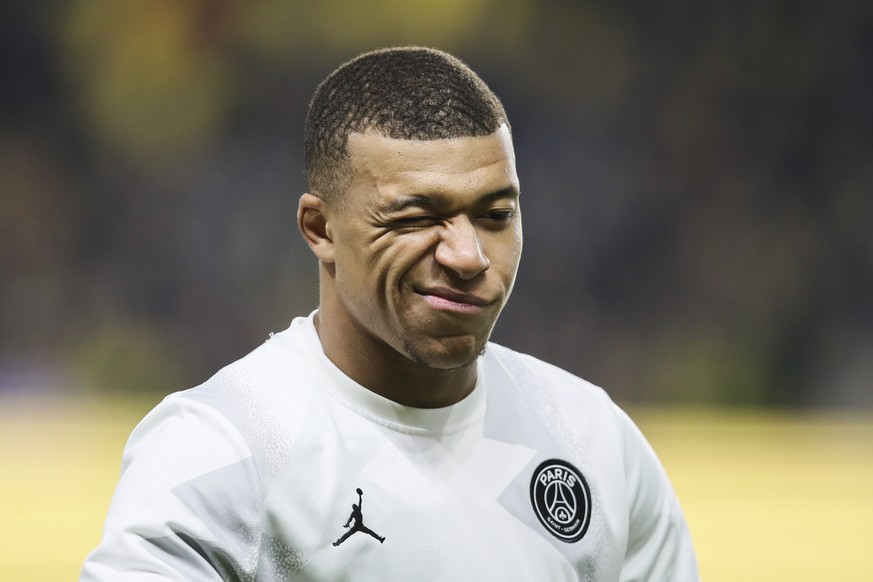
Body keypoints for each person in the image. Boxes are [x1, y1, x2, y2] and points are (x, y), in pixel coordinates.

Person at [81, 47, 699, 581]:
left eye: (495, 215)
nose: (467, 255)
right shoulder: (220, 452)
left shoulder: (593, 439)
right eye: (415, 218)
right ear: (320, 229)